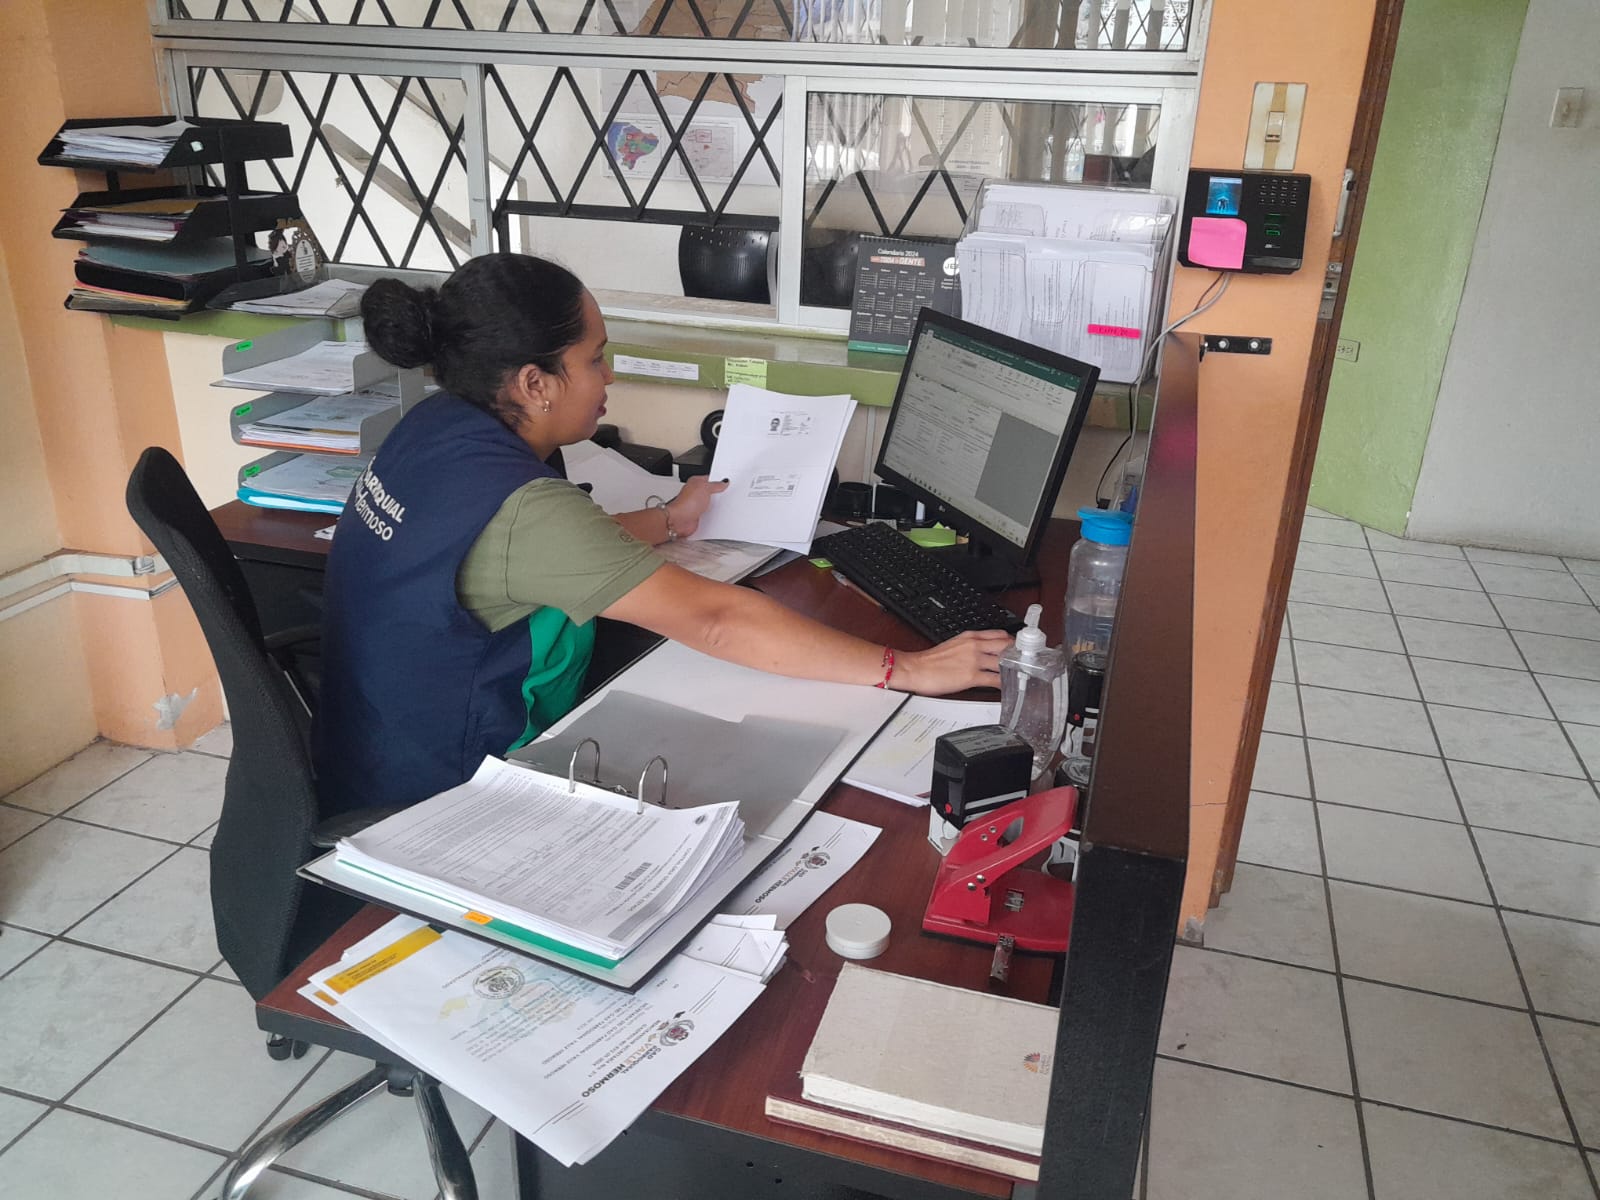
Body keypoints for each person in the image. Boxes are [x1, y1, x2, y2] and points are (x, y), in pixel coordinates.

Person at [312, 253, 1010, 813]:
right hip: (446, 797)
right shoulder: (523, 507)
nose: (609, 377)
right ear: (534, 383)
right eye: (594, 359)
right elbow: (715, 620)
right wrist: (910, 669)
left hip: (367, 753)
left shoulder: (434, 429)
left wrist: (670, 519)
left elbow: (525, 553)